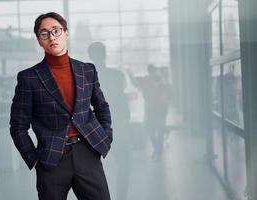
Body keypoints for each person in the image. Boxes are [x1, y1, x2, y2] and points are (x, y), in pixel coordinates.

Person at [9, 12, 112, 200]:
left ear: (66, 33)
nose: (52, 37)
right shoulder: (28, 78)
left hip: (87, 152)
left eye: (56, 30)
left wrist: (106, 137)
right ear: (39, 41)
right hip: (51, 159)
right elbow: (18, 126)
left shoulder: (87, 70)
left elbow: (102, 108)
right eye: (44, 33)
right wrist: (33, 160)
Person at [88, 42, 131, 200]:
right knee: (123, 165)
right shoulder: (116, 75)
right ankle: (120, 196)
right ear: (105, 54)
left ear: (91, 56)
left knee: (94, 170)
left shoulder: (85, 79)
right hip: (117, 126)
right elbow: (123, 105)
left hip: (94, 130)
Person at [128, 65, 171, 157]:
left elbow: (169, 91)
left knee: (157, 127)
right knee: (155, 127)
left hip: (157, 107)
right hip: (157, 107)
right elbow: (135, 83)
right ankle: (157, 147)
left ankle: (158, 148)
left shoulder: (158, 80)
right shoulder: (148, 80)